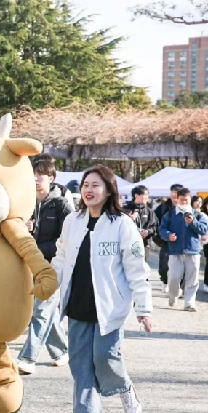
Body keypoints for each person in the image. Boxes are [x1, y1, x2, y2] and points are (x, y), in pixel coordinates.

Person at [52, 165, 152, 413]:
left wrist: (144, 308)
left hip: (109, 307)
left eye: (95, 185)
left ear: (108, 191)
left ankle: (124, 388)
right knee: (80, 366)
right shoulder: (72, 222)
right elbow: (61, 258)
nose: (89, 190)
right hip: (77, 305)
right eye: (86, 185)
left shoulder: (122, 225)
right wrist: (47, 285)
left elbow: (137, 269)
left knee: (106, 358)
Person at [17, 159, 72, 375]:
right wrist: (26, 228)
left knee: (40, 309)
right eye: (33, 174)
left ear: (51, 178)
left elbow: (67, 238)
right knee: (39, 310)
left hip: (53, 266)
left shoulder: (61, 205)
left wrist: (41, 247)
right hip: (29, 264)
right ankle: (61, 351)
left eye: (40, 175)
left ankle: (27, 358)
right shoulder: (25, 203)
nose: (36, 179)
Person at [159, 187, 208, 312]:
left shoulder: (198, 214)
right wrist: (168, 235)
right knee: (173, 277)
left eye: (186, 200)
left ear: (190, 199)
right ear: (177, 200)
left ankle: (189, 303)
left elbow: (204, 230)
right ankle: (173, 294)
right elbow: (162, 229)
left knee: (192, 279)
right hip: (175, 251)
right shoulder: (170, 215)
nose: (184, 202)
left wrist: (193, 222)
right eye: (182, 200)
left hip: (193, 251)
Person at [154, 184, 183, 292]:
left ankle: (178, 285)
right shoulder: (163, 207)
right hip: (165, 241)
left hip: (181, 242)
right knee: (164, 265)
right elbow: (155, 223)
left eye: (176, 192)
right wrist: (159, 239)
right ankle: (165, 280)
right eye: (172, 192)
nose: (174, 194)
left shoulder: (185, 207)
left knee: (181, 265)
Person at [123, 185, 158, 263]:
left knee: (143, 269)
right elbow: (118, 226)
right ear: (136, 195)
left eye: (147, 195)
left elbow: (155, 227)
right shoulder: (125, 210)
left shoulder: (149, 212)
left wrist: (148, 232)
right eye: (144, 195)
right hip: (128, 245)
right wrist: (129, 219)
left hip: (144, 245)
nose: (146, 197)